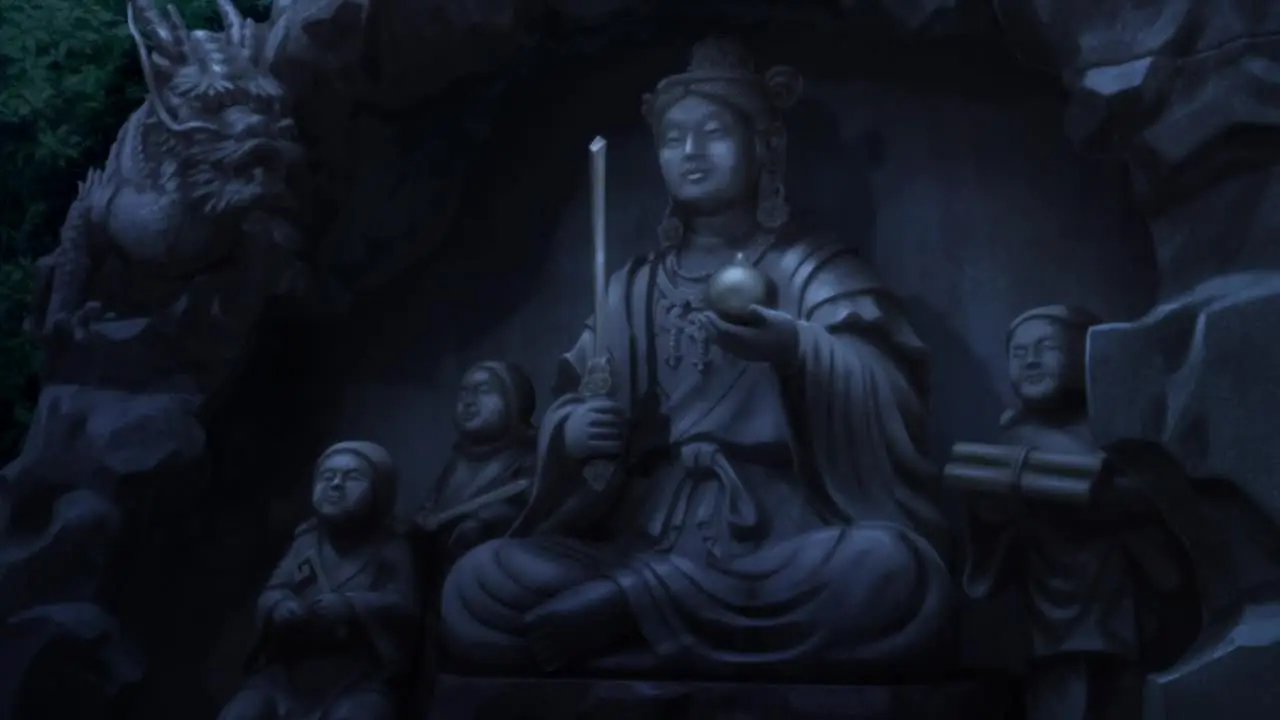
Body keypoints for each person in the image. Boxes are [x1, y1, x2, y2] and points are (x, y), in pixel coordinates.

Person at [439, 35, 952, 675]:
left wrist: (798, 351)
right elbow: (580, 402)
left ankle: (632, 613)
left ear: (763, 147)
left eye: (714, 133)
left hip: (778, 534)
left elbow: (891, 398)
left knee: (894, 572)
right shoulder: (632, 288)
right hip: (642, 532)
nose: (691, 152)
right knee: (476, 581)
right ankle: (667, 614)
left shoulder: (814, 270)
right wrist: (572, 432)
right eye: (674, 138)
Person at [964, 306, 1196, 720]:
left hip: (1119, 601)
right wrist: (991, 517)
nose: (1031, 361)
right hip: (1046, 614)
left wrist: (1117, 502)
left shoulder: (1119, 432)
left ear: (1084, 355)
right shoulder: (1011, 442)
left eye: (1046, 348)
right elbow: (991, 545)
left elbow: (1160, 503)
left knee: (1121, 698)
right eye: (1019, 353)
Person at [219, 441, 420, 720]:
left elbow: (404, 606)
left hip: (357, 676)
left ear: (379, 490)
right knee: (242, 712)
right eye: (328, 476)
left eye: (353, 477)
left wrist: (352, 606)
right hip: (288, 671)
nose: (336, 485)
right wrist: (279, 606)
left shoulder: (391, 547)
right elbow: (274, 589)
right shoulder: (305, 541)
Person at [412, 361, 537, 564]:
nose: (468, 401)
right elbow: (435, 504)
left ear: (514, 399)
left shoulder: (529, 457)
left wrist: (484, 523)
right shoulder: (457, 462)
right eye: (463, 392)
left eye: (483, 390)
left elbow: (529, 509)